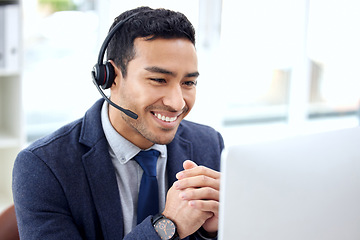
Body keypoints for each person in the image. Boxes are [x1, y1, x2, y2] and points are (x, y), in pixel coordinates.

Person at [12, 6, 224, 240]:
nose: (176, 103)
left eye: (188, 83)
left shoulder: (209, 144)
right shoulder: (43, 166)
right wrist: (167, 227)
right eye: (158, 80)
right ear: (111, 77)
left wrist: (215, 230)